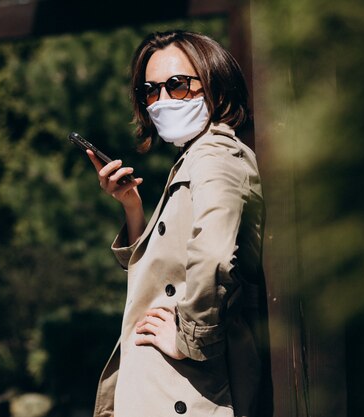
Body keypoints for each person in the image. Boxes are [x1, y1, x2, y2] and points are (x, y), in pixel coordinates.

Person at [86, 30, 270, 417]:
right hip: (164, 384)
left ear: (216, 88)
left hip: (185, 387)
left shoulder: (216, 156)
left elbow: (214, 255)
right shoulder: (195, 158)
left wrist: (191, 339)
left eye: (178, 86)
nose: (162, 101)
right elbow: (158, 278)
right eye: (150, 91)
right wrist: (132, 208)